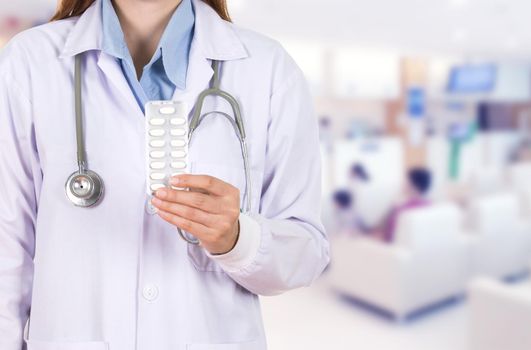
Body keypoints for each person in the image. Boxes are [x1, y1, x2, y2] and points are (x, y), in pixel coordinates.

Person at [0, 1, 329, 349]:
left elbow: (306, 251)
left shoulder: (269, 69)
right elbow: (6, 249)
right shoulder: (28, 64)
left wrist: (237, 239)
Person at [380, 167, 432, 242]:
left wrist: (393, 208)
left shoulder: (402, 211)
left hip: (395, 249)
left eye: (405, 181)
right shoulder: (431, 206)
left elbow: (388, 236)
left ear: (412, 185)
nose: (402, 184)